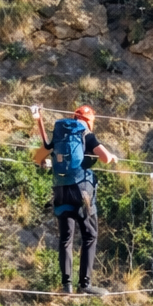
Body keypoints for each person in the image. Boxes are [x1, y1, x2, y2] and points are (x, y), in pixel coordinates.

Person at [32, 104, 118, 295]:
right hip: (82, 191)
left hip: (61, 190)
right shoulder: (86, 134)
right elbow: (104, 158)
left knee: (66, 238)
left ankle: (66, 286)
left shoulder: (61, 135)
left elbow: (37, 157)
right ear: (89, 121)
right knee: (90, 235)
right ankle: (85, 285)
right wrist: (112, 157)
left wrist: (47, 162)